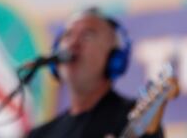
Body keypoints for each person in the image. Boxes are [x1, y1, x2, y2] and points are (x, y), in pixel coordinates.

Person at [27, 7, 163, 138]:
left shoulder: (137, 118)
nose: (73, 43)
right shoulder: (39, 134)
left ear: (113, 58)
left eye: (87, 35)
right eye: (68, 35)